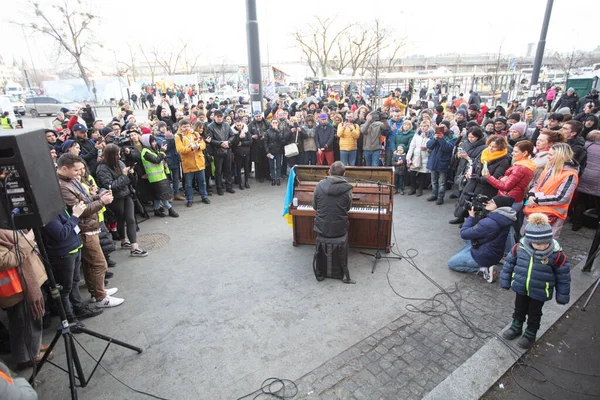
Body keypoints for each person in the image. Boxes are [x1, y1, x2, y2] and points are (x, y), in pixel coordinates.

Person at [57, 154, 125, 308]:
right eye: (77, 170)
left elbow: (84, 199)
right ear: (64, 168)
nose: (80, 173)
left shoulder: (69, 180)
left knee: (90, 265)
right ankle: (101, 297)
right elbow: (80, 210)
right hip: (84, 229)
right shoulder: (62, 186)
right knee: (99, 263)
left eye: (81, 169)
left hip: (88, 226)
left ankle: (97, 292)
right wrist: (102, 202)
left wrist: (97, 196)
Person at [500, 213, 571, 349]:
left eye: (545, 242)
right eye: (538, 243)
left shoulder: (556, 255)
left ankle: (531, 332)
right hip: (521, 286)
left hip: (540, 291)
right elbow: (509, 265)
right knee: (519, 308)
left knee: (535, 312)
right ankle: (516, 326)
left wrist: (562, 296)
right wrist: (505, 281)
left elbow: (564, 277)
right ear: (529, 239)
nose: (543, 246)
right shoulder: (519, 248)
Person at [41, 203, 104, 325]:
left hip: (73, 248)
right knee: (65, 289)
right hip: (63, 254)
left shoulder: (56, 207)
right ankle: (69, 319)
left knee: (74, 282)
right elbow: (61, 234)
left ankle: (79, 308)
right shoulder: (46, 212)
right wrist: (75, 215)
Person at [0, 229, 48, 370]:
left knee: (31, 321)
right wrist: (27, 239)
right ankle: (26, 357)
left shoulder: (5, 222)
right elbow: (5, 260)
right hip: (15, 289)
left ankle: (34, 347)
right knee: (22, 323)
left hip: (25, 284)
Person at [447, 195, 517, 283]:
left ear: (499, 207)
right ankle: (472, 253)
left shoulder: (489, 223)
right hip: (495, 251)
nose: (488, 203)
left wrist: (471, 217)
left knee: (452, 263)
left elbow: (464, 233)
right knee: (470, 238)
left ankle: (483, 269)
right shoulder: (504, 217)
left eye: (492, 202)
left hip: (485, 256)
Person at [95, 145, 148, 257]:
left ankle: (134, 247)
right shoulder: (102, 168)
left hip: (127, 194)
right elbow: (111, 186)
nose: (119, 156)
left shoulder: (120, 163)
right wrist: (124, 176)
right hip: (115, 198)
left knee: (130, 219)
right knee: (121, 218)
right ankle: (123, 240)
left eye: (119, 154)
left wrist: (131, 174)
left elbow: (130, 181)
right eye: (116, 154)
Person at [451, 136, 510, 224]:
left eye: (494, 147)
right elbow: (475, 163)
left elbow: (496, 176)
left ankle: (470, 223)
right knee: (465, 200)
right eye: (490, 145)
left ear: (500, 147)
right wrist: (470, 171)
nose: (490, 148)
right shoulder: (484, 152)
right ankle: (460, 217)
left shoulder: (503, 161)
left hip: (485, 187)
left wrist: (479, 178)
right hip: (473, 181)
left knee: (477, 206)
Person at [523, 143, 579, 238]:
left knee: (540, 242)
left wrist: (536, 200)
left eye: (551, 155)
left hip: (550, 215)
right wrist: (531, 194)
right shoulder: (550, 167)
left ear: (560, 156)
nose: (548, 157)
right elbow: (537, 184)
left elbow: (561, 198)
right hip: (536, 210)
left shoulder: (570, 175)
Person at [312, 161, 354, 284]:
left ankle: (321, 268)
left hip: (321, 227)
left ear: (329, 172)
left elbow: (315, 207)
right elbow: (347, 208)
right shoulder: (348, 188)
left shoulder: (319, 185)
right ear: (344, 174)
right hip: (339, 229)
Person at [140, 134, 179, 218]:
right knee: (162, 195)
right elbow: (156, 160)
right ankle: (170, 209)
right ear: (147, 142)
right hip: (155, 178)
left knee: (158, 195)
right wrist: (162, 152)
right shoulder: (145, 152)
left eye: (154, 141)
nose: (154, 143)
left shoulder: (152, 150)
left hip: (160, 176)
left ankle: (156, 209)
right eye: (152, 141)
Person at [175, 119, 211, 207]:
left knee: (202, 181)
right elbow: (180, 149)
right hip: (188, 163)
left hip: (199, 162)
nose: (186, 128)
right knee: (188, 184)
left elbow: (203, 144)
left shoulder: (195, 134)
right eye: (184, 127)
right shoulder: (178, 136)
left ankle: (204, 196)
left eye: (187, 126)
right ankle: (190, 199)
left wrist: (198, 147)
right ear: (180, 127)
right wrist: (190, 148)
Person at [572, 130, 600, 230]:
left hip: (584, 176)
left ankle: (576, 223)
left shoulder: (586, 146)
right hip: (598, 179)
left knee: (580, 200)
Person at [206, 110, 236, 195]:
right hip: (217, 151)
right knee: (218, 171)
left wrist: (228, 142)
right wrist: (221, 143)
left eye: (221, 116)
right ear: (214, 117)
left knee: (228, 169)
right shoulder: (210, 126)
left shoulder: (226, 125)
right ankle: (219, 188)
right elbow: (209, 139)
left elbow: (232, 136)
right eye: (217, 116)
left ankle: (229, 186)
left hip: (228, 150)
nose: (219, 118)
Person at [426, 122, 456, 205]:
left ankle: (440, 197)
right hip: (434, 161)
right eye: (441, 127)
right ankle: (434, 194)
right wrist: (435, 139)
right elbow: (429, 146)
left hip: (443, 162)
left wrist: (441, 138)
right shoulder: (435, 134)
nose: (442, 128)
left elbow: (447, 148)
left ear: (448, 128)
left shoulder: (452, 137)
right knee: (434, 181)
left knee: (442, 182)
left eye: (444, 127)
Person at [406, 120, 433, 196]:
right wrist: (408, 157)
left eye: (424, 126)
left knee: (422, 173)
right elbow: (412, 146)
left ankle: (420, 189)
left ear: (428, 127)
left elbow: (432, 146)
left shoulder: (431, 135)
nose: (423, 128)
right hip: (416, 155)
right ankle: (413, 188)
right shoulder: (417, 134)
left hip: (425, 156)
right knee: (412, 172)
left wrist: (427, 148)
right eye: (421, 126)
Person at [248, 110, 271, 182]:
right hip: (256, 144)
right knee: (258, 161)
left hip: (265, 143)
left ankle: (267, 175)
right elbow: (248, 134)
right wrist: (252, 136)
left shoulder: (266, 122)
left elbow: (270, 130)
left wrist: (266, 135)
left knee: (266, 160)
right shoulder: (251, 124)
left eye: (259, 116)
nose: (258, 117)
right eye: (257, 116)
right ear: (254, 117)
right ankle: (260, 176)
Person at [232, 118, 253, 190]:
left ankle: (246, 182)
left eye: (240, 125)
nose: (239, 126)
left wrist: (242, 143)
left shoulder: (246, 132)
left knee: (246, 168)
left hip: (246, 152)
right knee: (238, 168)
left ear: (242, 124)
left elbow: (250, 141)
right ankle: (240, 183)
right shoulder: (233, 132)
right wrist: (239, 138)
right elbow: (234, 143)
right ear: (235, 125)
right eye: (237, 125)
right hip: (238, 153)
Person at [264, 118, 285, 186]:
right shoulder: (267, 132)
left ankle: (278, 178)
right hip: (271, 151)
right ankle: (273, 178)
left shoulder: (280, 131)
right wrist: (267, 152)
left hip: (279, 151)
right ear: (271, 123)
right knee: (272, 166)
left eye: (276, 123)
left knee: (278, 165)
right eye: (273, 122)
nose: (275, 124)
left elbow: (282, 140)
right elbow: (265, 142)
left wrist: (277, 131)